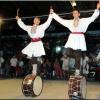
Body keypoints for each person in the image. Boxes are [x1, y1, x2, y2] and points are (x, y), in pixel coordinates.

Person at [51, 3, 100, 75]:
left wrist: (97, 9)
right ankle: (78, 57)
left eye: (76, 13)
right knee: (66, 52)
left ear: (79, 14)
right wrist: (53, 14)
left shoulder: (84, 20)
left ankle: (77, 71)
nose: (75, 14)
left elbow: (93, 17)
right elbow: (60, 20)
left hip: (80, 38)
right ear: (73, 14)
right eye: (73, 13)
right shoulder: (69, 22)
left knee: (78, 54)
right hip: (72, 38)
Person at [16, 9, 53, 76]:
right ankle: (33, 69)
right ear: (33, 21)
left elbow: (48, 22)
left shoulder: (41, 27)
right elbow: (23, 26)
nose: (35, 21)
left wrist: (50, 14)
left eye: (37, 20)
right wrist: (19, 20)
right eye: (34, 20)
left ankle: (35, 69)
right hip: (32, 43)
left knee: (35, 57)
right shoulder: (29, 27)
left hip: (38, 43)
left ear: (39, 22)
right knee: (27, 55)